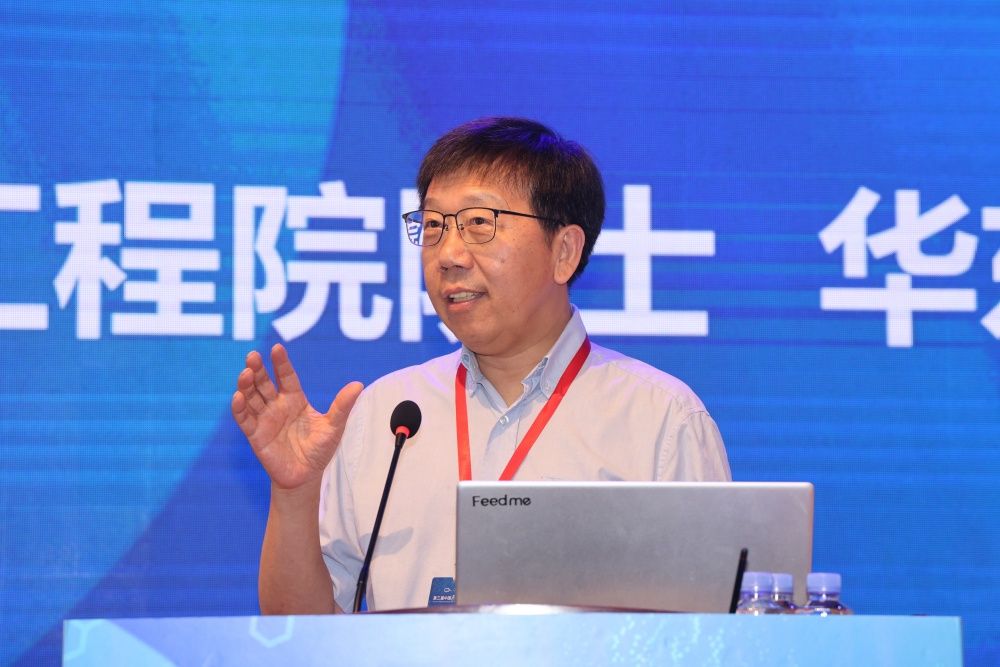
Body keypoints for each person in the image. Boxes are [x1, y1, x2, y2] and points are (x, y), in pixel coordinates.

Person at [232, 117, 731, 615]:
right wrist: (294, 493)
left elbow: (716, 636)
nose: (448, 255)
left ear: (564, 252)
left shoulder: (661, 421)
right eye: (433, 226)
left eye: (479, 223)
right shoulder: (387, 415)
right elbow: (301, 633)